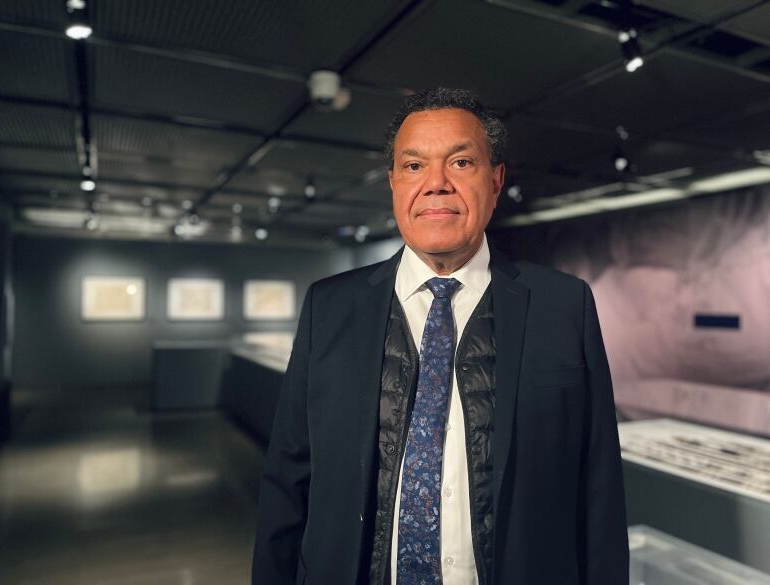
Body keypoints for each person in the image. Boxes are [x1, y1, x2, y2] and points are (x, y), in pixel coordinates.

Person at [252, 88, 628, 585]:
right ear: (392, 184)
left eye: (461, 162)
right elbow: (288, 478)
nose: (435, 184)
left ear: (495, 182)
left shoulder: (564, 306)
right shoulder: (331, 305)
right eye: (413, 166)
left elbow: (598, 488)